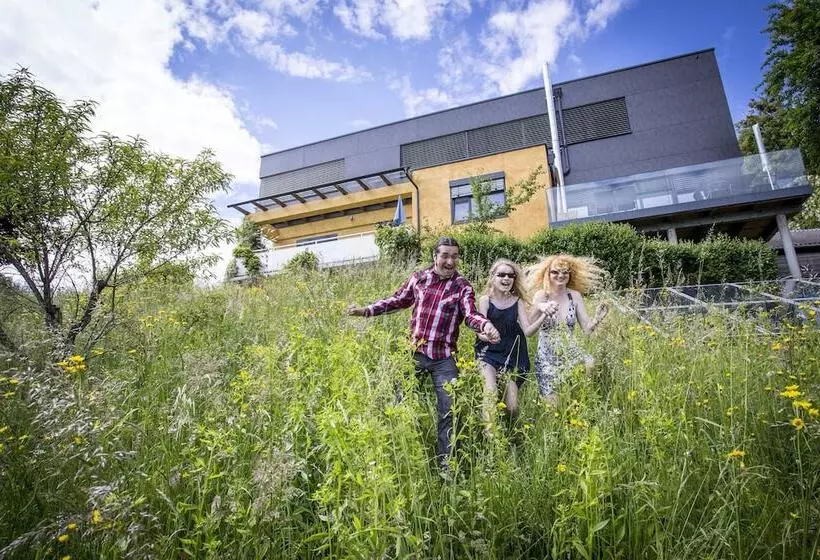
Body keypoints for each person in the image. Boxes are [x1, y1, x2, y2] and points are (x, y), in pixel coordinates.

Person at [346, 237, 500, 467]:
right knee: (399, 404)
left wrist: (485, 325)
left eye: (454, 256)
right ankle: (396, 458)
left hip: (444, 358)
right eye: (445, 255)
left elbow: (470, 314)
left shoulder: (463, 286)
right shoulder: (419, 278)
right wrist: (365, 311)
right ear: (435, 256)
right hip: (415, 354)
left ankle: (447, 467)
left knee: (449, 411)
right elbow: (397, 301)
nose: (450, 261)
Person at [475, 259, 557, 430]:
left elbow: (528, 331)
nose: (506, 278)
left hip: (513, 355)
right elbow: (479, 329)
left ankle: (511, 436)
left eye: (511, 275)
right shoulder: (485, 300)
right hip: (488, 353)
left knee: (511, 407)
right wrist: (487, 336)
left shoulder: (517, 301)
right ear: (493, 278)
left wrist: (544, 315)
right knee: (490, 393)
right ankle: (491, 439)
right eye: (501, 275)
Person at [528, 254, 609, 408]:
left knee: (589, 363)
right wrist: (540, 307)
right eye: (555, 272)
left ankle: (581, 398)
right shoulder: (541, 295)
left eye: (565, 272)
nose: (561, 275)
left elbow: (586, 329)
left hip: (570, 352)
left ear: (570, 275)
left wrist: (598, 319)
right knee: (554, 408)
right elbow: (529, 326)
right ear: (548, 274)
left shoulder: (575, 296)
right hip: (547, 356)